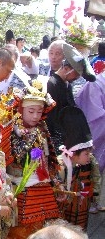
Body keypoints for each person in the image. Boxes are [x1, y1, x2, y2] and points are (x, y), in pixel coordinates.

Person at [6, 84, 61, 239]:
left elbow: (49, 156)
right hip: (21, 184)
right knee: (21, 228)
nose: (36, 116)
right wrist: (30, 136)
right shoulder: (13, 128)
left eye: (39, 111)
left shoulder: (41, 126)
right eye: (31, 111)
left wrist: (56, 181)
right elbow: (16, 155)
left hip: (42, 180)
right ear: (21, 110)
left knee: (43, 224)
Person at [46, 43, 96, 153]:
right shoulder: (52, 84)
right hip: (56, 136)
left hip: (66, 135)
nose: (77, 77)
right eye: (76, 73)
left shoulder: (67, 83)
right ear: (67, 68)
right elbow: (52, 116)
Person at [56, 106, 100, 230]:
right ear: (74, 153)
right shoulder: (61, 164)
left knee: (81, 229)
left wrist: (94, 194)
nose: (89, 156)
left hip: (82, 204)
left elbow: (96, 178)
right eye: (86, 153)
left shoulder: (90, 162)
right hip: (65, 207)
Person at [75, 60, 105, 210]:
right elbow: (95, 117)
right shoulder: (97, 83)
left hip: (100, 129)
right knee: (90, 165)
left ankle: (96, 200)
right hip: (93, 130)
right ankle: (89, 201)